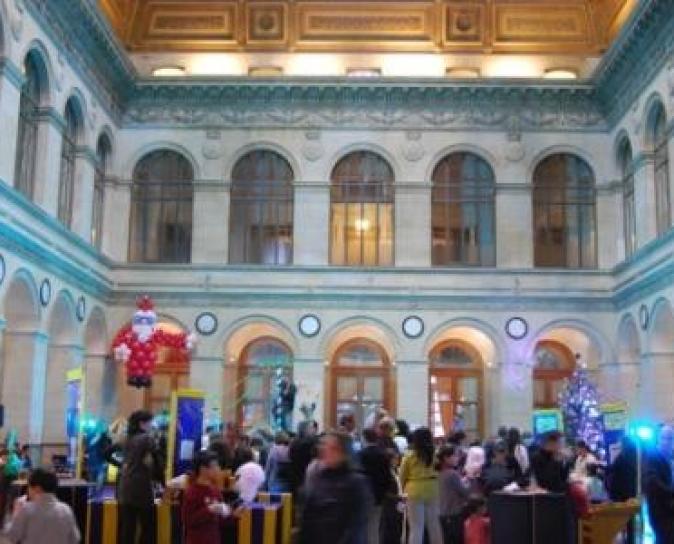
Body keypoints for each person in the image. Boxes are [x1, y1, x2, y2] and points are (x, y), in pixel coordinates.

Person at [299, 431, 371, 544]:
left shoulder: (356, 482)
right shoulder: (318, 478)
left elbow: (356, 525)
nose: (325, 450)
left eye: (332, 448)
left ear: (343, 453)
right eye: (324, 446)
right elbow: (308, 518)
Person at [113, 410, 163, 544]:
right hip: (142, 487)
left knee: (127, 529)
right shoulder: (147, 439)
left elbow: (107, 453)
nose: (151, 426)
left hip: (124, 486)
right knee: (148, 527)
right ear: (142, 424)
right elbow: (158, 462)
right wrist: (162, 482)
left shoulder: (125, 438)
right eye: (150, 423)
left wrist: (120, 465)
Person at [4, 468, 80, 544]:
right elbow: (75, 539)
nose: (28, 490)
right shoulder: (66, 509)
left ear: (37, 488)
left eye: (29, 487)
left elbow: (12, 536)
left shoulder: (26, 509)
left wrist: (15, 514)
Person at [400, 427, 443, 544]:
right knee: (434, 525)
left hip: (414, 490)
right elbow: (439, 470)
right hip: (432, 489)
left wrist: (402, 491)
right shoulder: (435, 454)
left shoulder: (409, 456)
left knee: (416, 528)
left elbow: (402, 476)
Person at [182, 451, 230, 544]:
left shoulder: (215, 490)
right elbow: (187, 520)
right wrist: (209, 510)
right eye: (214, 466)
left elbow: (221, 519)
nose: (218, 469)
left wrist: (231, 513)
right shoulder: (191, 492)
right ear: (203, 469)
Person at [358, 428, 396, 544]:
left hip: (363, 495)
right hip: (379, 495)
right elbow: (387, 476)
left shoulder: (360, 455)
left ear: (364, 438)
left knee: (362, 526)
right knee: (375, 526)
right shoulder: (383, 455)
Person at [643, 425, 674, 544]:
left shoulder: (669, 457)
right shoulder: (653, 456)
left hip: (669, 510)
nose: (667, 442)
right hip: (660, 511)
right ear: (659, 439)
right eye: (664, 438)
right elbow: (652, 482)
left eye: (670, 438)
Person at [606, 436, 637, 544]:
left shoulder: (622, 456)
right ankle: (630, 539)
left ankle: (625, 539)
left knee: (621, 517)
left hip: (621, 491)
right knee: (630, 518)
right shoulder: (635, 454)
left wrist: (601, 467)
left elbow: (613, 468)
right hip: (631, 490)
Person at [437, 445, 469, 544]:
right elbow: (464, 492)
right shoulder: (452, 474)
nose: (457, 458)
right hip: (453, 514)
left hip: (441, 515)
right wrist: (469, 482)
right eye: (454, 456)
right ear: (446, 458)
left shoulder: (437, 473)